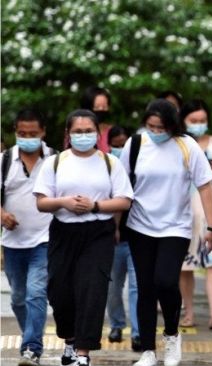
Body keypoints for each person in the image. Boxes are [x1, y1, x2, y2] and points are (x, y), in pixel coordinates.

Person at [120, 99, 212, 366]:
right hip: (140, 225)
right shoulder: (136, 144)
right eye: (150, 126)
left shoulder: (187, 146)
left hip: (175, 226)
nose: (155, 131)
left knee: (165, 281)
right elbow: (122, 186)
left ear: (172, 125)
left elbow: (205, 186)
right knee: (145, 288)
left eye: (160, 127)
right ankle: (148, 352)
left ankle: (172, 337)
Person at [33, 109, 134, 366]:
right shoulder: (55, 162)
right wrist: (64, 202)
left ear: (97, 133)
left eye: (88, 130)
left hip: (98, 232)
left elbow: (124, 199)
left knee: (92, 289)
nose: (83, 135)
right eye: (77, 131)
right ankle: (69, 340)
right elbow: (42, 202)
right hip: (63, 232)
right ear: (68, 134)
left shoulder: (110, 162)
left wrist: (96, 206)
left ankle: (82, 353)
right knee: (60, 291)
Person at [1, 109, 55, 366]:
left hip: (45, 240)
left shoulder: (56, 160)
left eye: (33, 134)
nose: (27, 138)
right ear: (15, 132)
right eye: (22, 134)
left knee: (36, 293)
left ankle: (32, 348)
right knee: (18, 298)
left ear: (43, 132)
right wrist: (2, 214)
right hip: (12, 243)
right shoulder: (4, 161)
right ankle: (30, 336)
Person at [178, 99, 212, 330]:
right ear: (183, 121)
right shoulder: (178, 143)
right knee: (184, 265)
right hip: (184, 207)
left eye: (202, 120)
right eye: (194, 121)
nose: (199, 124)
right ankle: (188, 313)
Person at [104, 126, 141, 351]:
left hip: (137, 236)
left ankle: (138, 332)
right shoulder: (107, 168)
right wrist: (114, 227)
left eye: (122, 144)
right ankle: (116, 325)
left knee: (137, 287)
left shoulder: (139, 168)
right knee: (113, 286)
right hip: (115, 238)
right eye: (115, 144)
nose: (119, 148)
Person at [79, 86, 114, 153]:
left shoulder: (114, 132)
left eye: (104, 107)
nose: (101, 110)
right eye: (97, 107)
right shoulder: (76, 133)